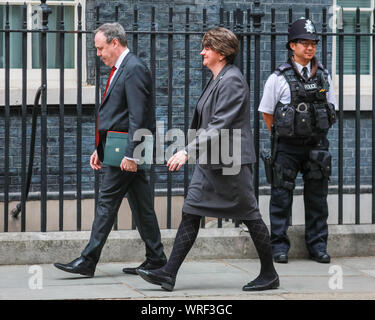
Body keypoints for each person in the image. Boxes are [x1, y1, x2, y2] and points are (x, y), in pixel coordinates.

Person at [136, 27, 279, 292]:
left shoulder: (232, 80)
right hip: (211, 160)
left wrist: (187, 150)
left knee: (249, 214)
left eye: (208, 48)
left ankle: (269, 274)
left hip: (230, 163)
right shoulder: (217, 77)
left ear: (222, 52)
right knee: (191, 210)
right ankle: (168, 273)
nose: (202, 52)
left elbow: (220, 124)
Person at [54, 23, 167, 277]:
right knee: (142, 205)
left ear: (115, 43)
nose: (98, 53)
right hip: (118, 149)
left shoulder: (133, 68)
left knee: (106, 202)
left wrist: (130, 154)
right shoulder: (121, 68)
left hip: (125, 154)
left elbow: (139, 115)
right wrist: (100, 149)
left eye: (100, 47)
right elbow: (119, 115)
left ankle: (88, 260)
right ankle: (157, 258)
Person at [258, 18, 337, 264]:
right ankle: (279, 247)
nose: (310, 47)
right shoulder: (278, 77)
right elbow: (267, 112)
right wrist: (284, 133)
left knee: (317, 199)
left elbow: (332, 107)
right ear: (292, 46)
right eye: (304, 42)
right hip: (287, 147)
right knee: (281, 198)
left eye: (313, 42)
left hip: (317, 146)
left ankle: (317, 246)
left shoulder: (323, 76)